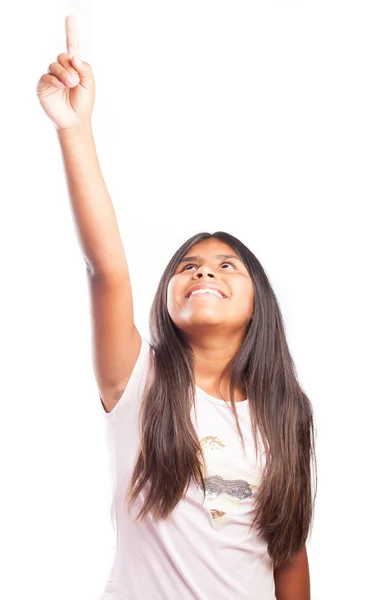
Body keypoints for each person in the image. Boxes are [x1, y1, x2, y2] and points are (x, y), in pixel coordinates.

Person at [36, 15, 316, 600]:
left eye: (225, 266)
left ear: (258, 303)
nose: (204, 271)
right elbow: (106, 268)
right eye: (188, 266)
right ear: (167, 297)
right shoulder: (138, 382)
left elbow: (289, 559)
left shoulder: (285, 416)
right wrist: (74, 129)